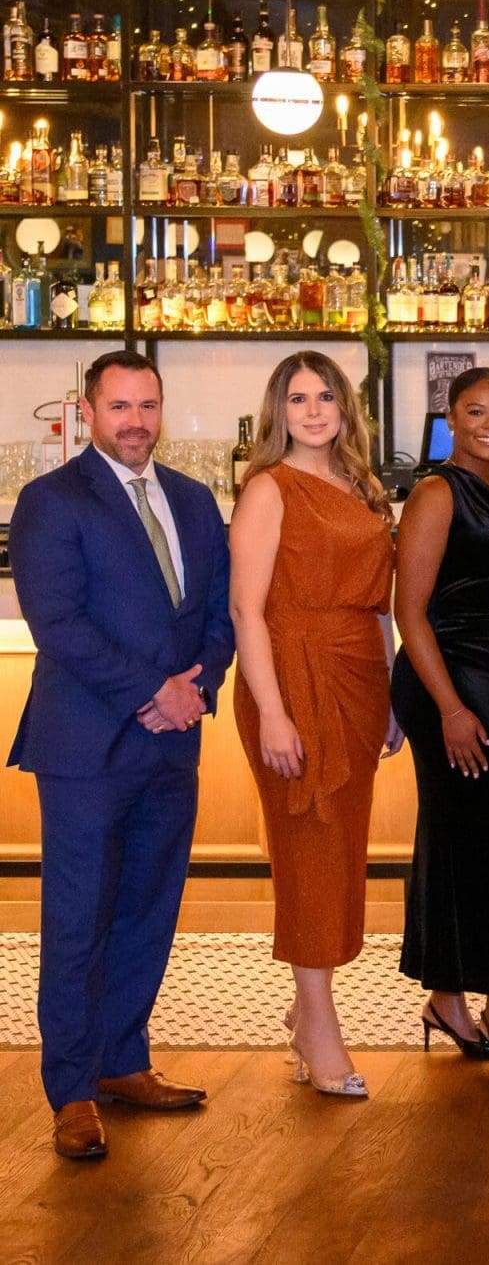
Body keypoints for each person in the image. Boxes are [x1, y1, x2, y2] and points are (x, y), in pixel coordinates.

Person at [9, 350, 234, 1159]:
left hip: (175, 742)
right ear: (89, 410)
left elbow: (220, 612)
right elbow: (59, 626)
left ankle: (122, 1061)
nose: (136, 421)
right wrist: (155, 692)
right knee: (78, 918)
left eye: (148, 406)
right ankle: (71, 1090)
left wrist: (197, 686)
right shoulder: (50, 500)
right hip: (87, 744)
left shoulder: (194, 499)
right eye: (120, 407)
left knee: (148, 907)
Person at [228, 352, 402, 1100]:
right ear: (277, 412)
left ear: (345, 408)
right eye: (296, 398)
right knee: (308, 849)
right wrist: (271, 710)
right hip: (291, 682)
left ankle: (304, 1010)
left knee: (342, 849)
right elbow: (245, 609)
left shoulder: (364, 487)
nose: (311, 411)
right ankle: (322, 1025)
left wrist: (393, 691)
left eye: (324, 396)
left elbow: (384, 604)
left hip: (360, 674)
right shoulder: (268, 489)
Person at [392, 368, 489, 1076]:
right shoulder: (436, 491)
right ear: (448, 418)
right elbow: (409, 611)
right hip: (449, 686)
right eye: (476, 411)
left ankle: (446, 997)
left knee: (457, 838)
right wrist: (452, 708)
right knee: (488, 842)